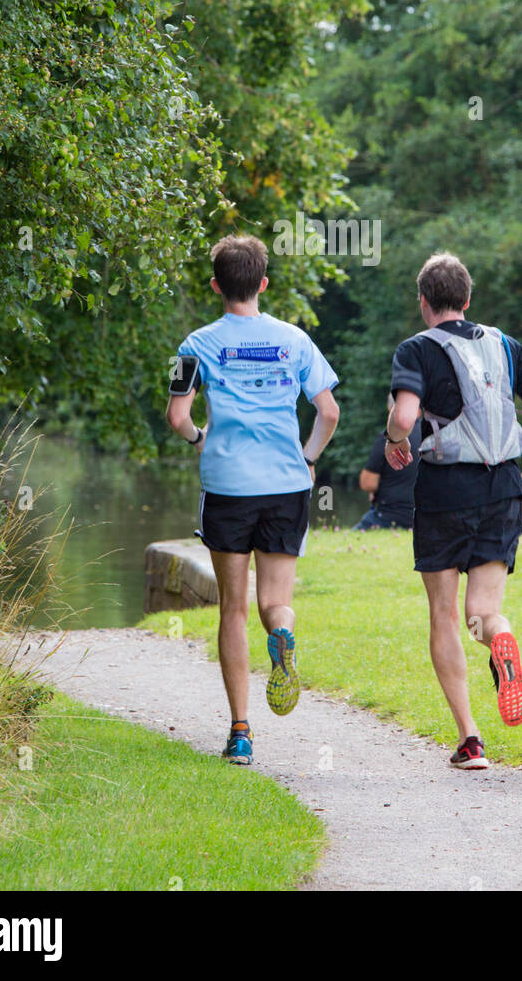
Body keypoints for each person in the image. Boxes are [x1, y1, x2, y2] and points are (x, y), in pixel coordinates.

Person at [166, 234, 340, 766]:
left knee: (233, 607)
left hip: (228, 487)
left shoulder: (193, 346)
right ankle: (283, 633)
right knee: (272, 603)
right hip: (286, 484)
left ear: (217, 285)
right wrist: (308, 458)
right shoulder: (296, 341)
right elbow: (329, 411)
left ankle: (241, 733)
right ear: (263, 283)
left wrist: (202, 440)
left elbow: (178, 418)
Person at [384, 252, 522, 770]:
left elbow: (405, 414)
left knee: (443, 612)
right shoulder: (504, 344)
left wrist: (396, 439)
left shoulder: (415, 350)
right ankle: (500, 638)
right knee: (481, 614)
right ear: (467, 300)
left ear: (424, 303)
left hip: (444, 490)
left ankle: (470, 740)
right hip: (503, 484)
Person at [354, 394, 420, 530]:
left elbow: (367, 483)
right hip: (424, 517)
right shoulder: (432, 435)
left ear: (391, 409)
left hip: (389, 516)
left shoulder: (388, 438)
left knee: (350, 536)